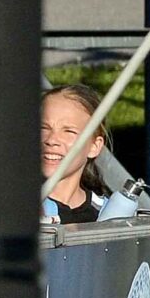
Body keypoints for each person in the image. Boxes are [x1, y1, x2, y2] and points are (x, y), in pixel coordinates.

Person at [41, 84, 139, 224]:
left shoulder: (109, 213)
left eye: (69, 131)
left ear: (94, 146)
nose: (51, 140)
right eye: (43, 128)